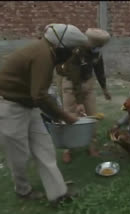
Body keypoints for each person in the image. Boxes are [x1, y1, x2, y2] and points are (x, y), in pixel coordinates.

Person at [0, 24, 87, 203]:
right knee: (19, 154)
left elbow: (38, 94)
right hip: (10, 105)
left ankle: (58, 194)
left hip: (28, 105)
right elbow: (39, 95)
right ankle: (23, 191)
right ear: (61, 46)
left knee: (45, 148)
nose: (72, 53)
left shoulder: (45, 49)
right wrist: (65, 116)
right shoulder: (43, 55)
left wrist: (57, 114)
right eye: (71, 49)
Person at [56, 28, 112, 163]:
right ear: (90, 43)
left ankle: (91, 146)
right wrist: (79, 101)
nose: (99, 48)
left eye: (101, 46)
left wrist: (104, 88)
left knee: (92, 115)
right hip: (71, 84)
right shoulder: (76, 52)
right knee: (70, 115)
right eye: (98, 46)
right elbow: (75, 78)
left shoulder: (96, 52)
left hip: (87, 83)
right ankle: (68, 149)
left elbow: (99, 69)